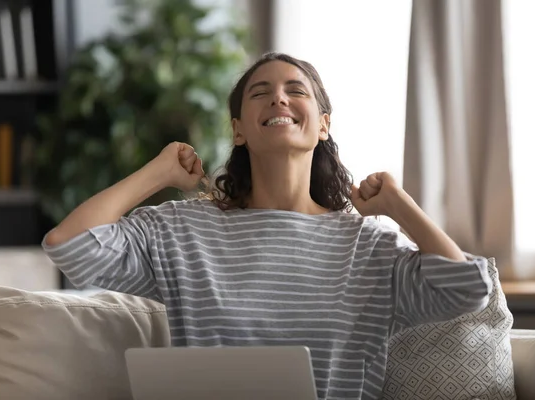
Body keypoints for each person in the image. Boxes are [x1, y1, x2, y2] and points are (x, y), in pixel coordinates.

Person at [42, 52, 492, 400]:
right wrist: (158, 173)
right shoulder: (182, 230)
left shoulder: (368, 246)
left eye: (295, 91)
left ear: (323, 125)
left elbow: (467, 290)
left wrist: (401, 206)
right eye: (260, 92)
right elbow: (69, 244)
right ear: (238, 130)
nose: (278, 97)